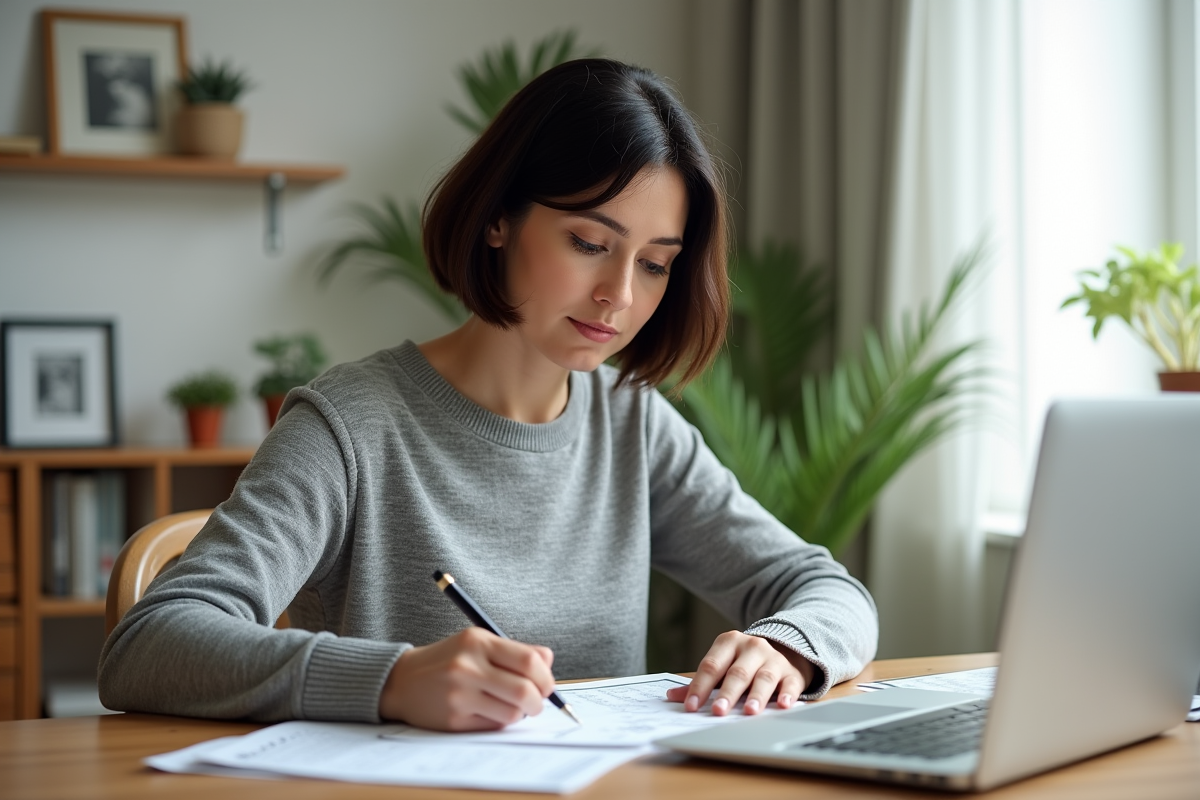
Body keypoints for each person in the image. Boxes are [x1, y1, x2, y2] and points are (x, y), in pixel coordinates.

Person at [99, 58, 877, 732]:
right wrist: (393, 681)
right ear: (500, 218)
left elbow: (826, 590)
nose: (618, 295)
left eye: (655, 263)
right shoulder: (352, 424)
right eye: (589, 243)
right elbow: (154, 643)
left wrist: (785, 643)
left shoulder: (634, 426)